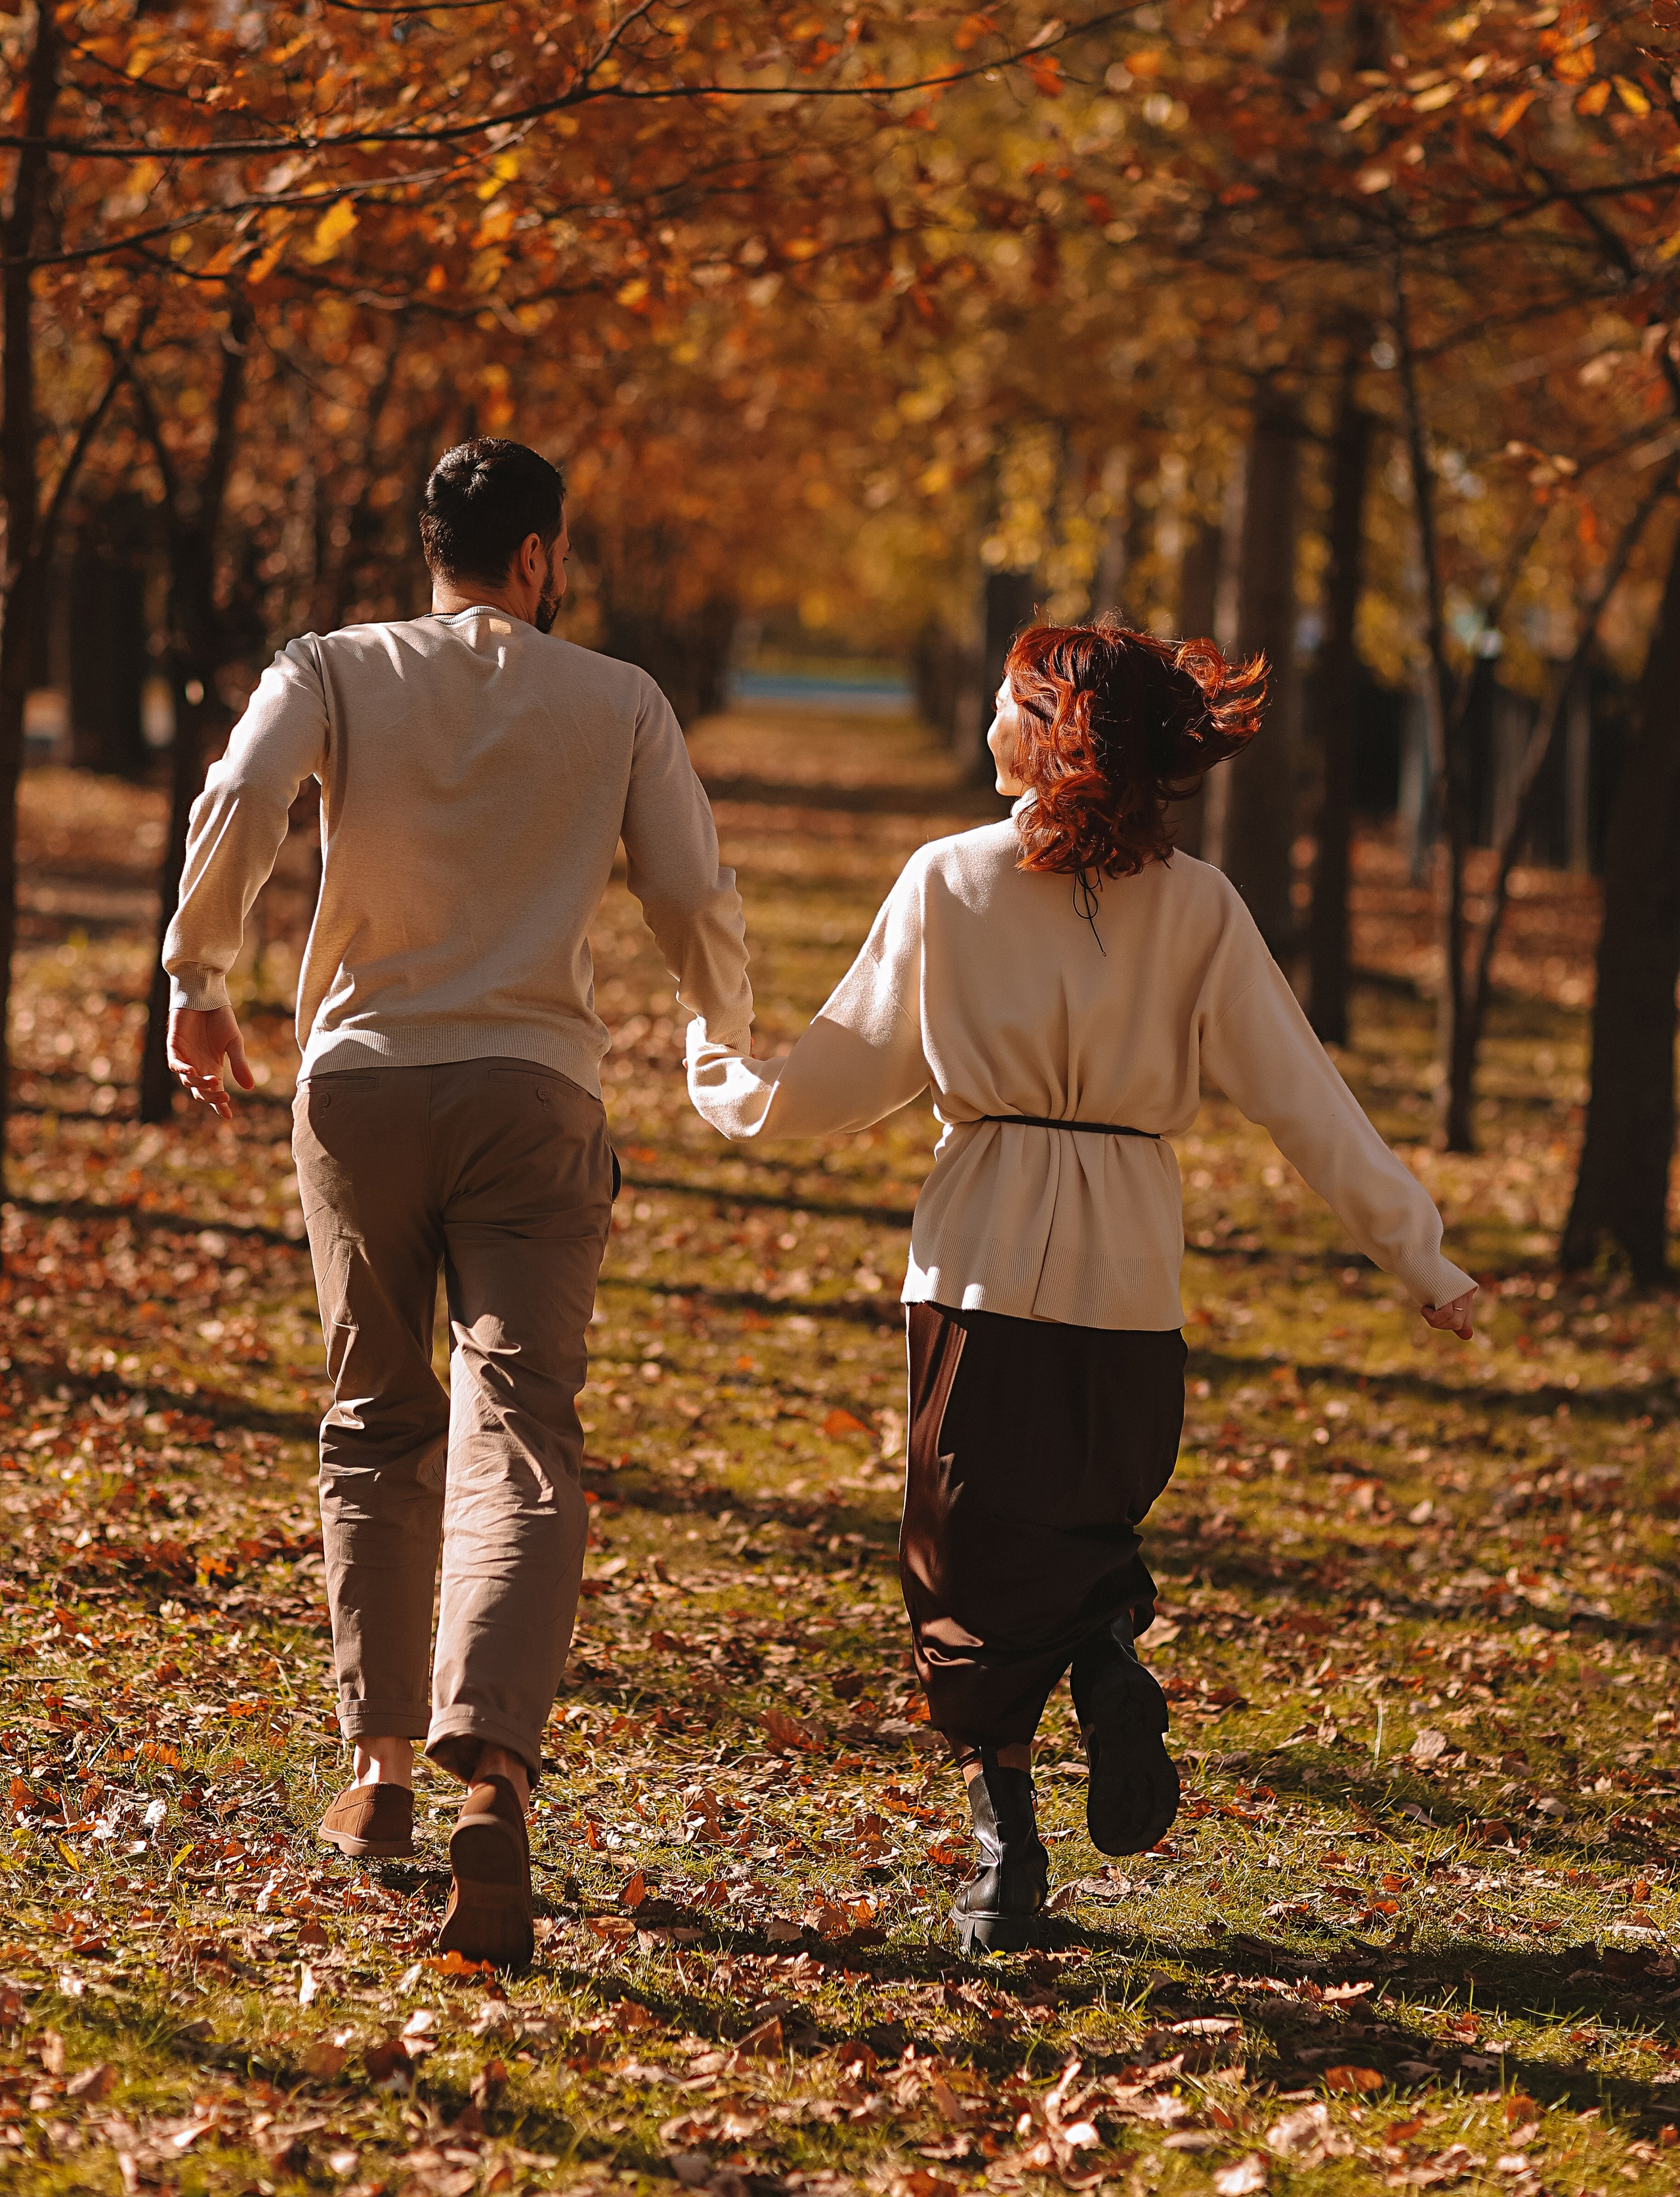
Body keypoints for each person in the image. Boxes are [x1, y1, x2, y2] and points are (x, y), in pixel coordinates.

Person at [688, 617, 1477, 1953]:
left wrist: (722, 1071)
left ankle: (1007, 1856)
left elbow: (845, 1075)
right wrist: (1417, 1252)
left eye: (1010, 701)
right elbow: (1302, 1097)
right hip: (1129, 1282)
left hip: (982, 1265)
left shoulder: (948, 879)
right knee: (1084, 1521)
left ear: (1056, 731)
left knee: (957, 1569)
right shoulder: (1200, 903)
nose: (993, 720)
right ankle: (1106, 1651)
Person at [162, 437, 752, 1967]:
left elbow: (241, 795)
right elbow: (690, 894)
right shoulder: (618, 699)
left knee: (374, 1413)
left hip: (359, 1088)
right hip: (534, 1097)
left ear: (428, 546)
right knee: (522, 1422)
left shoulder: (335, 665)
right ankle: (490, 1764)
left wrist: (199, 978)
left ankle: (375, 1778)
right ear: (540, 556)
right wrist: (719, 1027)